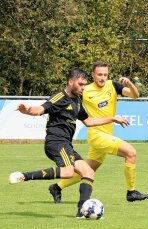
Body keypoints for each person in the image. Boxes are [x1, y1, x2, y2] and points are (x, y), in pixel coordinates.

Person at [9, 68, 129, 217]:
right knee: (68, 172)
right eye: (80, 84)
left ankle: (81, 211)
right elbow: (40, 109)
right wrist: (27, 110)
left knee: (89, 172)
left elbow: (89, 121)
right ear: (71, 82)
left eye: (85, 85)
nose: (83, 87)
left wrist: (112, 118)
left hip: (66, 144)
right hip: (56, 142)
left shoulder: (77, 101)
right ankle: (25, 176)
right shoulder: (60, 97)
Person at [48, 61, 148, 204]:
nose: (102, 78)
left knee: (88, 170)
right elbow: (68, 99)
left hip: (107, 135)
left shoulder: (113, 85)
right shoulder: (85, 90)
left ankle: (56, 187)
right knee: (131, 153)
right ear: (93, 75)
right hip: (96, 136)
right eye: (99, 75)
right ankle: (131, 192)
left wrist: (130, 84)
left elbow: (135, 95)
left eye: (105, 75)